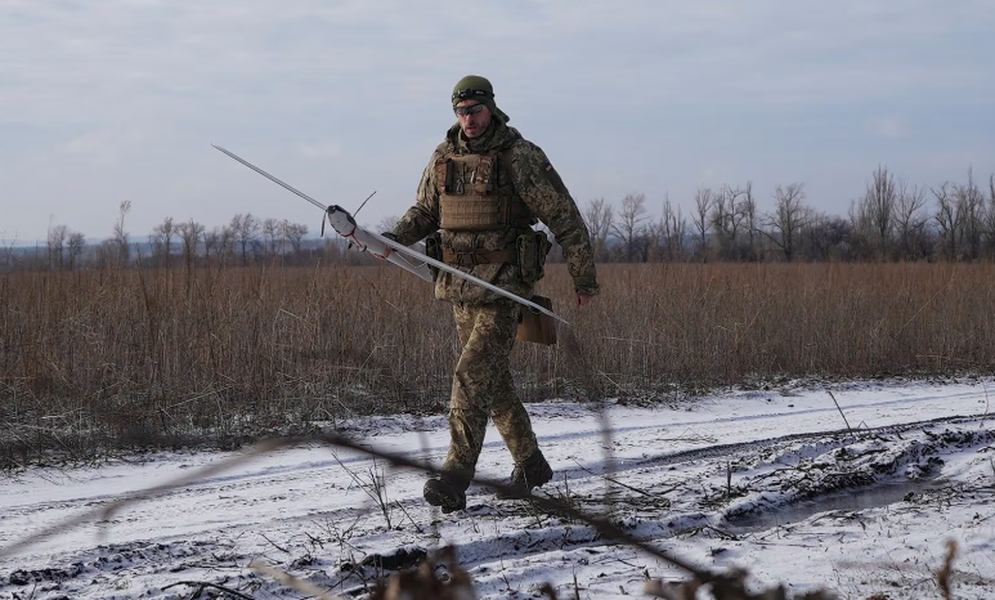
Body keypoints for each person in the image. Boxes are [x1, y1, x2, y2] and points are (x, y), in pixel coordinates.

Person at [387, 75, 599, 512]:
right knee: (493, 382)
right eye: (460, 112)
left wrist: (584, 277)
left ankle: (455, 475)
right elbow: (426, 211)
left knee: (469, 377)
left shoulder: (519, 156)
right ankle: (531, 463)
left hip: (504, 286)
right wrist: (390, 239)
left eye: (475, 110)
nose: (468, 119)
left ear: (491, 108)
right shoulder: (443, 157)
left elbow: (565, 216)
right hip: (460, 286)